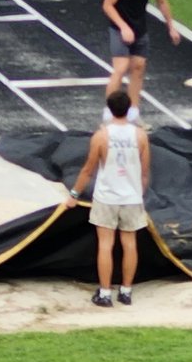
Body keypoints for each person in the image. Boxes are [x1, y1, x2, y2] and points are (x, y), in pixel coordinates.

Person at [65, 91, 151, 308]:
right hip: (131, 197)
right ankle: (126, 291)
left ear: (109, 109)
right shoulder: (140, 135)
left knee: (106, 245)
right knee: (130, 244)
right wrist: (138, 194)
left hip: (107, 197)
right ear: (129, 108)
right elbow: (144, 172)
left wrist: (74, 195)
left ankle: (105, 294)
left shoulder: (101, 136)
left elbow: (88, 170)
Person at [102, 0, 181, 123]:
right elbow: (107, 5)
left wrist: (171, 27)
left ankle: (133, 114)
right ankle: (108, 115)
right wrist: (123, 27)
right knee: (121, 68)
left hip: (139, 28)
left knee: (138, 68)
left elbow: (162, 2)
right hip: (119, 28)